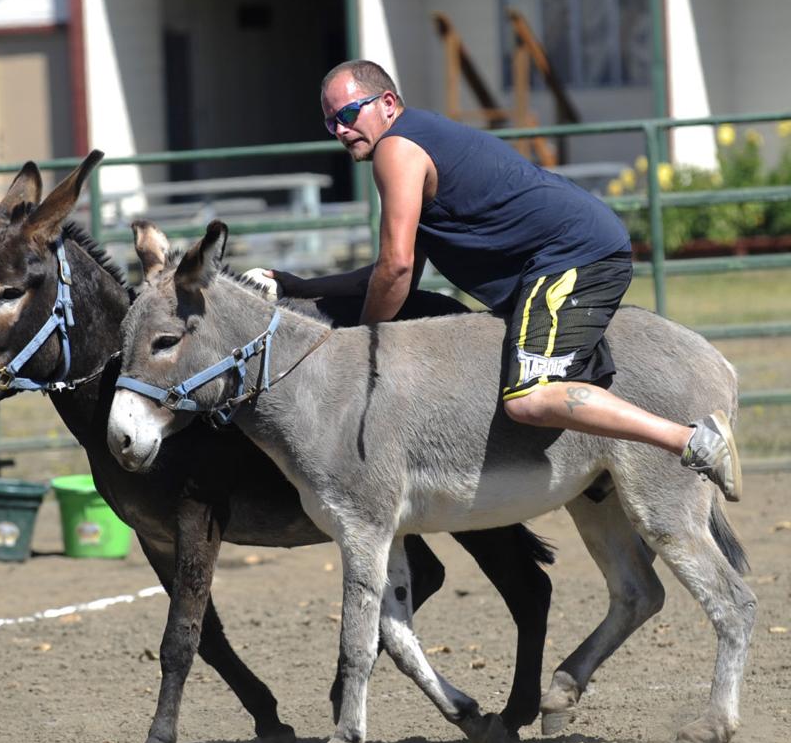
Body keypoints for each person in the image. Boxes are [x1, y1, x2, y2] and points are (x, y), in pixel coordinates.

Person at [260, 58, 741, 501]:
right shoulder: (416, 141)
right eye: (331, 122)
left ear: (387, 104)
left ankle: (693, 441)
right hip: (568, 255)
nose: (341, 130)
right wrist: (301, 286)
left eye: (348, 113)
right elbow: (390, 270)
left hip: (572, 256)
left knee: (529, 399)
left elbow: (397, 268)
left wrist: (363, 344)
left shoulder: (397, 149)